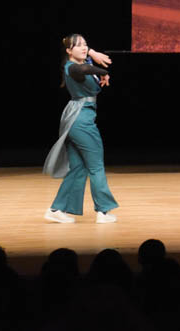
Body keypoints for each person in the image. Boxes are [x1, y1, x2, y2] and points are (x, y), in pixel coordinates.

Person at [43, 34, 119, 223]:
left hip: (76, 117)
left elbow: (87, 64)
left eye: (85, 44)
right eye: (78, 46)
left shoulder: (81, 63)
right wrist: (102, 70)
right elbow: (84, 68)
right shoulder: (73, 67)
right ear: (69, 51)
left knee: (78, 168)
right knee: (96, 165)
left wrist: (91, 54)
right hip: (81, 119)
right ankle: (103, 211)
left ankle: (56, 209)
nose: (84, 48)